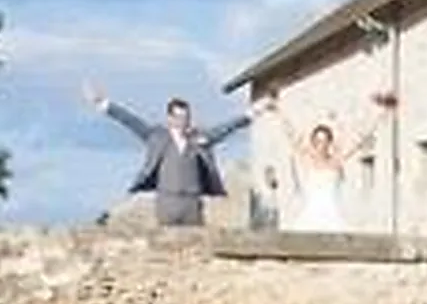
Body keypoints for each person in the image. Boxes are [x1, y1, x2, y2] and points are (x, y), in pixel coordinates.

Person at [83, 82, 259, 227]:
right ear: (170, 118)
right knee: (167, 248)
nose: (183, 122)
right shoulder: (157, 137)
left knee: (195, 248)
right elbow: (131, 121)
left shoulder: (198, 138)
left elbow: (223, 130)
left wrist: (249, 116)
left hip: (192, 204)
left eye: (186, 118)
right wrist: (104, 105)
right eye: (179, 118)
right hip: (167, 203)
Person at [272, 91, 396, 232]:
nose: (321, 145)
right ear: (313, 142)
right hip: (310, 217)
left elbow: (360, 140)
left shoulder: (336, 163)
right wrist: (279, 112)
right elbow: (291, 136)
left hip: (334, 216)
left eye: (324, 141)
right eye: (317, 141)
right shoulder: (307, 161)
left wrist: (380, 114)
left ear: (329, 142)